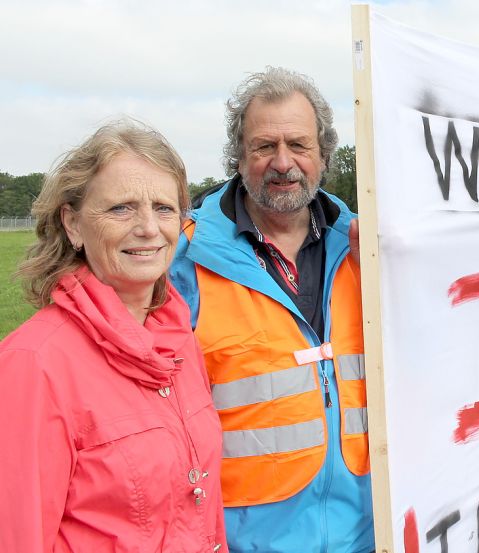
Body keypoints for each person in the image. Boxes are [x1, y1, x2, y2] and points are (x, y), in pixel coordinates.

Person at [169, 67, 372, 553]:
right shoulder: (183, 259)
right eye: (264, 147)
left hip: (368, 533)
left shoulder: (370, 247)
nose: (284, 163)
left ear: (324, 154)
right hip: (245, 541)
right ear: (238, 158)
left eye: (299, 145)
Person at [0, 120, 226, 552]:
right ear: (73, 224)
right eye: (121, 208)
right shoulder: (33, 365)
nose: (148, 228)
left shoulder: (179, 341)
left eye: (163, 208)